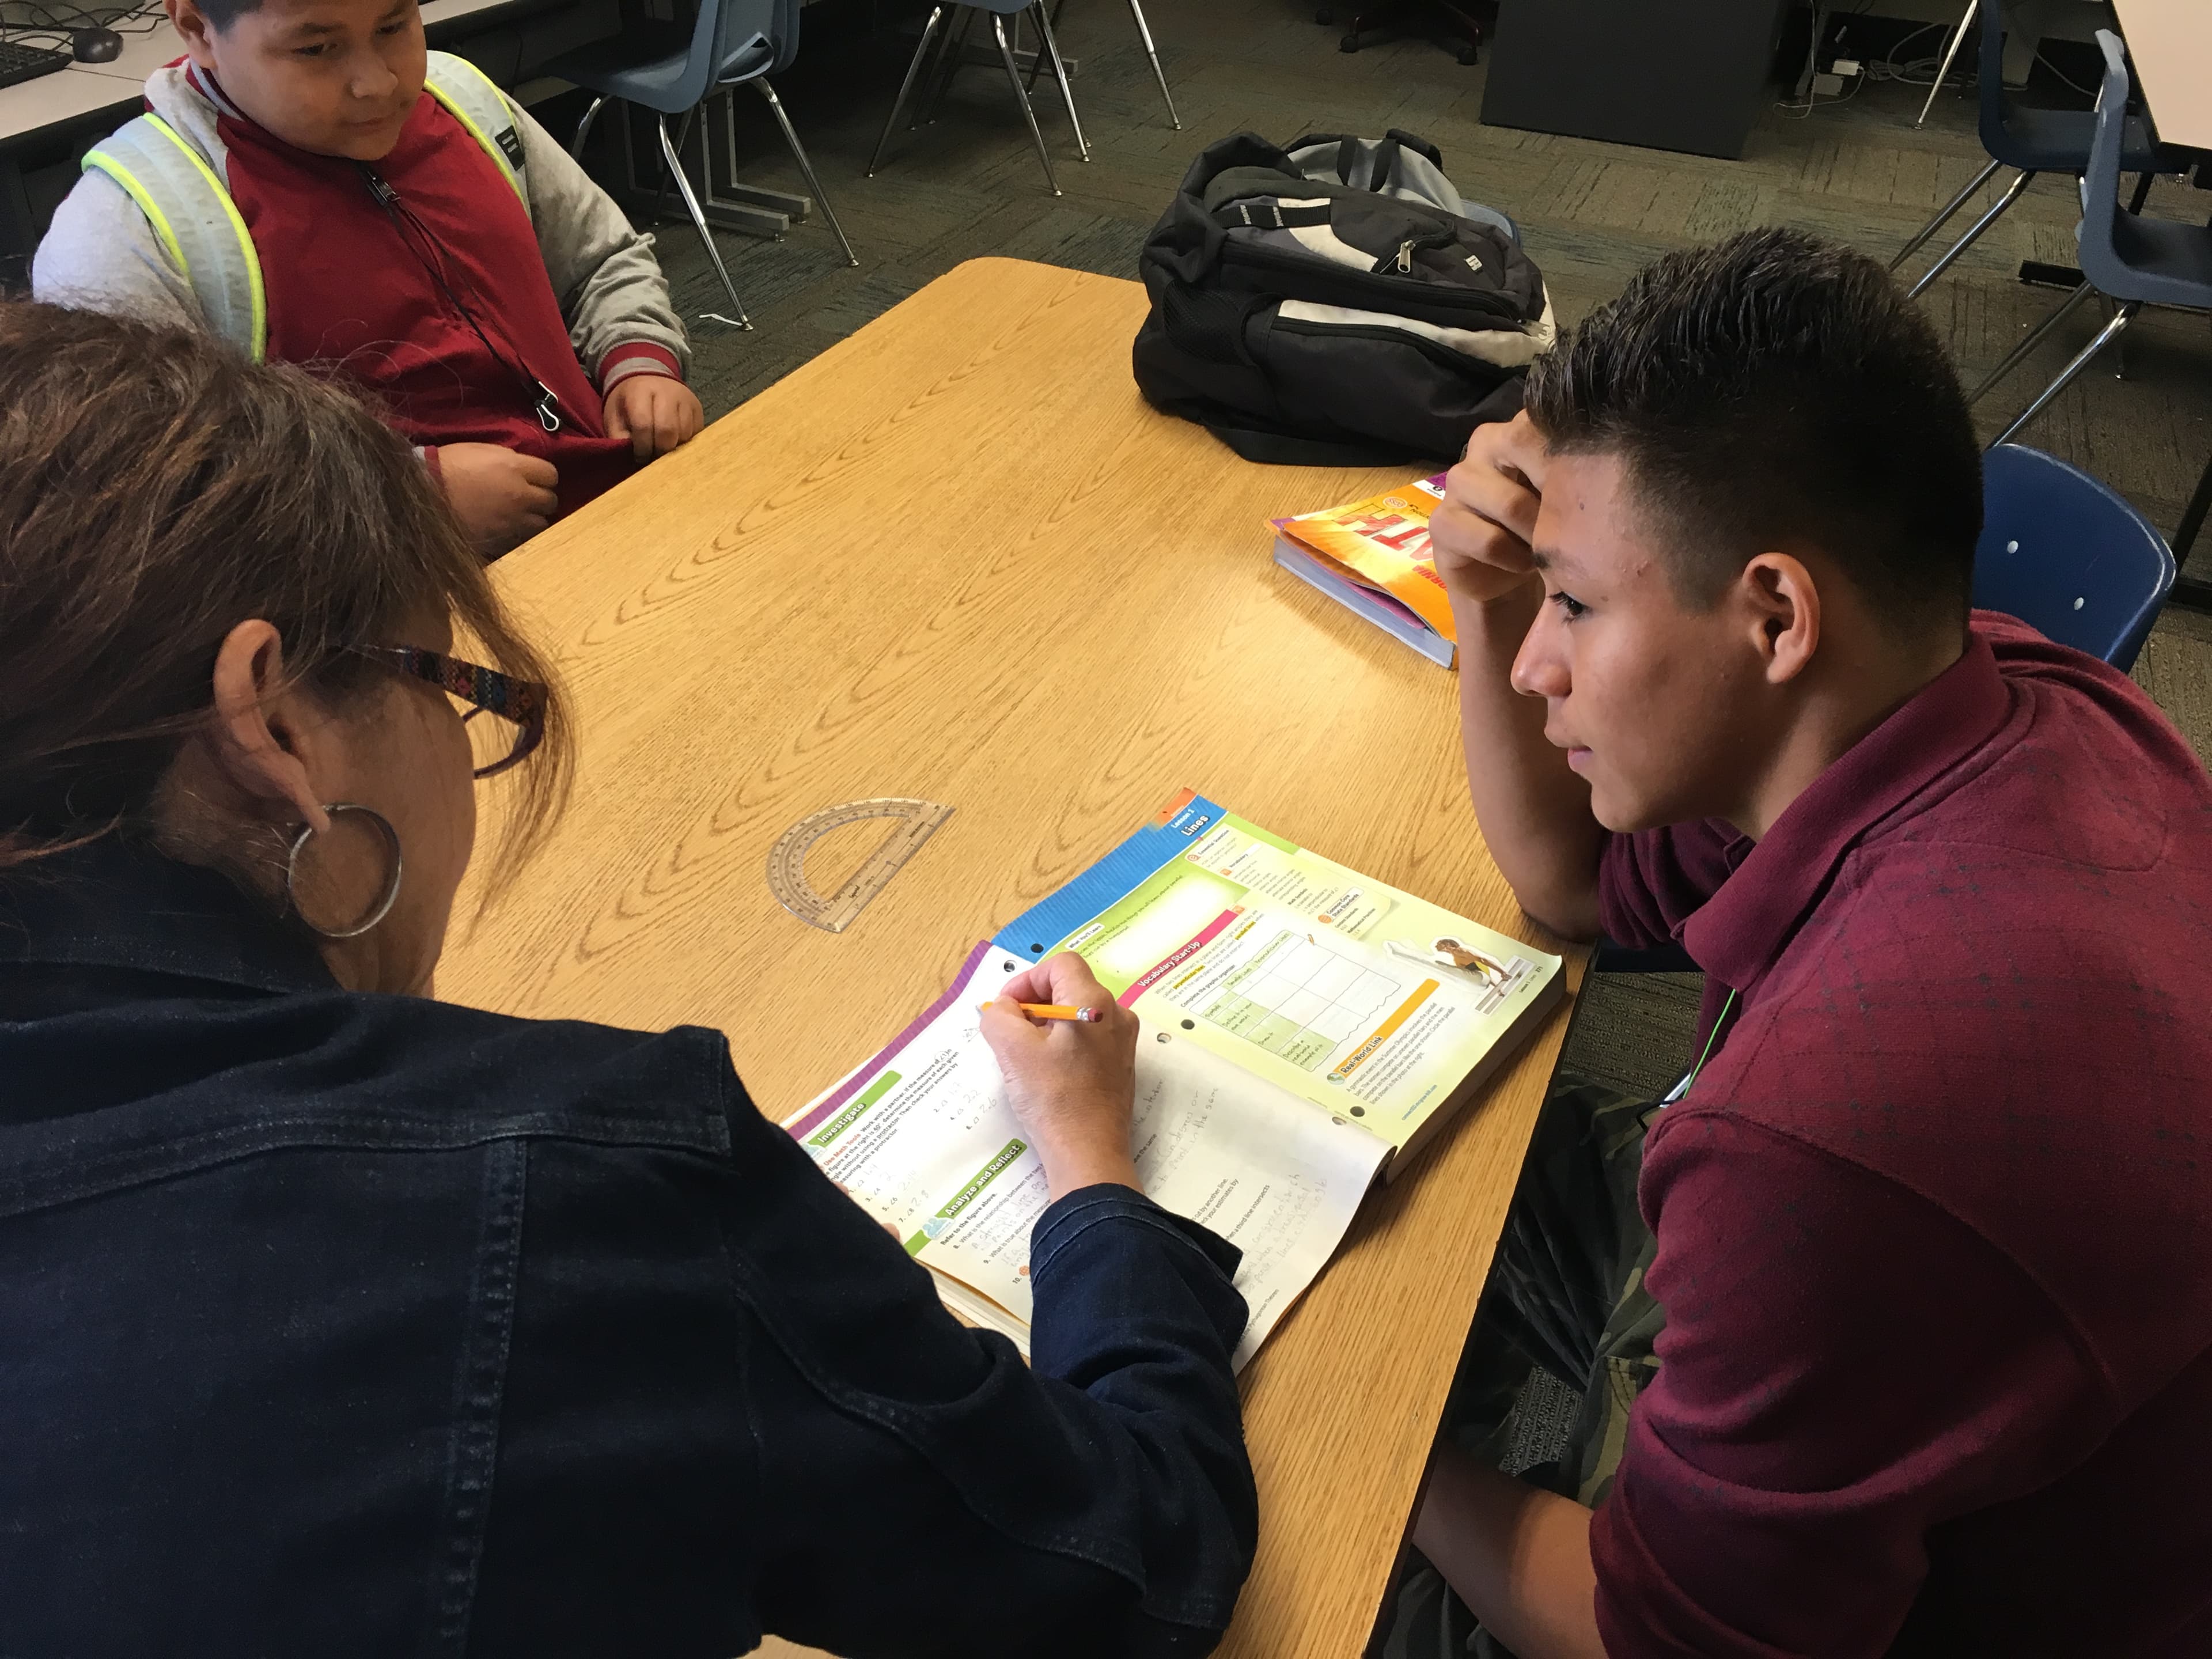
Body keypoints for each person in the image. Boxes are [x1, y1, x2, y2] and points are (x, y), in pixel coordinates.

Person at [0, 302, 1256, 1656]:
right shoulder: (581, 1181)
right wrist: (1090, 1175)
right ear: (275, 724)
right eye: (443, 680)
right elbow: (1127, 1564)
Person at [1389, 227, 2212, 1657]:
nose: (1534, 666)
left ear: (1772, 612)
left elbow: (1660, 1639)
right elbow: (1572, 884)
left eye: (1572, 603)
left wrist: (1376, 1461)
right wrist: (1489, 592)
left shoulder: (1825, 1131)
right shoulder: (2007, 689)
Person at [32, 0, 706, 555]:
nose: (378, 83)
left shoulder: (464, 100)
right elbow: (151, 504)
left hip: (616, 512)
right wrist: (401, 500)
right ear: (199, 30)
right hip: (394, 606)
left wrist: (637, 357)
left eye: (394, 26)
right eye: (317, 50)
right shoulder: (126, 231)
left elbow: (601, 262)